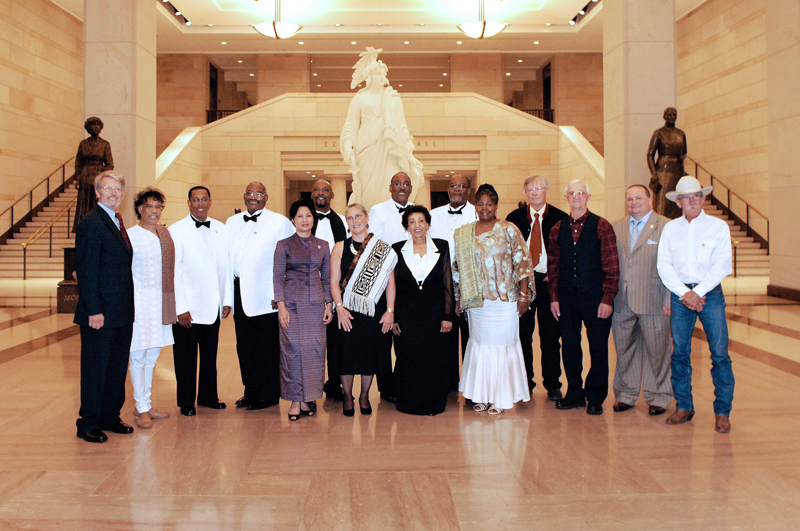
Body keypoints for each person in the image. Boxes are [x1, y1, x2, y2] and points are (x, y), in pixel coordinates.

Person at [657, 176, 734, 433]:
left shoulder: (718, 226)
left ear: (702, 198)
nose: (691, 201)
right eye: (686, 197)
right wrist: (684, 293)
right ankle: (684, 406)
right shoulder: (670, 229)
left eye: (695, 196)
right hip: (680, 296)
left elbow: (722, 264)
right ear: (678, 202)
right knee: (679, 353)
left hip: (710, 294)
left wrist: (698, 292)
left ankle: (722, 412)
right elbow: (664, 266)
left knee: (720, 354)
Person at [453, 184, 533, 415]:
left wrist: (524, 296)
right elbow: (457, 268)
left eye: (489, 203)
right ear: (475, 206)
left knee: (501, 347)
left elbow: (523, 263)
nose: (485, 208)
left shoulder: (509, 229)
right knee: (480, 347)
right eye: (480, 203)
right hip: (478, 304)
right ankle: (483, 396)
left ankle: (501, 397)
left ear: (496, 206)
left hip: (505, 302)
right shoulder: (464, 232)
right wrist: (459, 299)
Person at [547, 179, 619, 415]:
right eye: (571, 193)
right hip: (567, 298)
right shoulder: (557, 229)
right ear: (566, 198)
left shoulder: (602, 226)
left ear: (588, 197)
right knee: (569, 346)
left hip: (596, 298)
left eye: (581, 193)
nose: (576, 197)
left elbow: (611, 266)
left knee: (598, 347)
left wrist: (608, 298)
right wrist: (554, 297)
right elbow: (553, 266)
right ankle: (575, 393)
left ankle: (596, 396)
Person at [73, 171, 134, 443]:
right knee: (96, 369)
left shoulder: (117, 221)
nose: (113, 193)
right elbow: (86, 271)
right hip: (100, 312)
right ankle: (88, 422)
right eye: (107, 189)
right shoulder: (91, 223)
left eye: (118, 189)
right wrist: (93, 310)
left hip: (120, 311)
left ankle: (111, 416)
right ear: (97, 192)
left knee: (116, 368)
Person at [227, 182, 295, 411]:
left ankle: (269, 393)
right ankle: (251, 390)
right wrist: (227, 298)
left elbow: (289, 260)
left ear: (266, 197)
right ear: (244, 196)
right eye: (249, 193)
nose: (253, 197)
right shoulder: (232, 222)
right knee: (245, 346)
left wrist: (280, 294)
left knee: (267, 347)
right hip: (239, 291)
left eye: (258, 194)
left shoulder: (279, 222)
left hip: (267, 295)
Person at [169, 186, 232, 417]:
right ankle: (186, 401)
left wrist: (226, 300)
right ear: (188, 203)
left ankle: (208, 396)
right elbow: (174, 273)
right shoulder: (176, 230)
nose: (200, 203)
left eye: (204, 199)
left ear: (210, 202)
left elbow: (225, 266)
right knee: (185, 358)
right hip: (189, 309)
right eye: (195, 199)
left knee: (209, 357)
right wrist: (180, 308)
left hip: (212, 307)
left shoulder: (221, 229)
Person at [611, 184, 673, 416]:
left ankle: (659, 395)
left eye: (638, 198)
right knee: (624, 349)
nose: (633, 203)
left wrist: (669, 298)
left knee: (658, 350)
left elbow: (673, 266)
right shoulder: (616, 227)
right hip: (622, 300)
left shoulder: (666, 226)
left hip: (654, 299)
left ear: (650, 200)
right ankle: (625, 394)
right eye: (629, 199)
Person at [330, 204, 397, 417]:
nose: (354, 221)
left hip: (373, 311)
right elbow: (333, 281)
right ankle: (348, 396)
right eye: (350, 217)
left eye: (358, 216)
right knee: (346, 357)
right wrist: (339, 307)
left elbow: (390, 283)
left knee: (370, 356)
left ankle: (364, 395)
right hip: (347, 312)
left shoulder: (383, 248)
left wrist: (390, 311)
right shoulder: (339, 247)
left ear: (366, 218)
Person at [506, 175, 568, 401]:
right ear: (525, 193)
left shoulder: (561, 218)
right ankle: (525, 382)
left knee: (550, 337)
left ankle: (553, 384)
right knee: (522, 336)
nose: (534, 193)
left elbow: (566, 253)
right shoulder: (514, 218)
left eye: (538, 188)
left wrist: (555, 276)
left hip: (548, 285)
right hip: (522, 287)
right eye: (530, 189)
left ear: (547, 191)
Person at [340, 47, 424, 210]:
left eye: (383, 73)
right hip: (366, 150)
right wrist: (347, 144)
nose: (382, 77)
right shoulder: (359, 99)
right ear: (369, 77)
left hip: (390, 150)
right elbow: (350, 125)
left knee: (389, 185)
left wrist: (410, 156)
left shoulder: (392, 99)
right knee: (367, 190)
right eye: (378, 73)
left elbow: (402, 129)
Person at [274, 199, 334, 421]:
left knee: (314, 352)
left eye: (308, 215)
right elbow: (277, 277)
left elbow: (327, 278)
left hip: (316, 305)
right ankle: (295, 400)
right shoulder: (284, 245)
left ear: (313, 219)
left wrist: (329, 304)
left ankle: (309, 397)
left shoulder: (323, 245)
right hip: (291, 304)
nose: (304, 220)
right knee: (293, 352)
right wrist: (281, 306)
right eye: (300, 216)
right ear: (292, 220)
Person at [392, 205, 454, 415]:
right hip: (407, 315)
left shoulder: (442, 247)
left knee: (434, 359)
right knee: (408, 358)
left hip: (434, 314)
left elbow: (448, 284)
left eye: (421, 221)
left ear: (428, 224)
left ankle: (434, 403)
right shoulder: (396, 248)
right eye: (412, 222)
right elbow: (394, 286)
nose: (417, 226)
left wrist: (447, 315)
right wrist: (395, 317)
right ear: (406, 227)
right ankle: (409, 402)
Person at [127, 188, 176, 429]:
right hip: (138, 304)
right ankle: (142, 407)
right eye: (149, 206)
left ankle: (144, 404)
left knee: (153, 356)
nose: (154, 211)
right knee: (138, 356)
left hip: (160, 303)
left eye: (158, 207)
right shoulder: (129, 236)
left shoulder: (164, 235)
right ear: (139, 209)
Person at [367, 171, 414, 401]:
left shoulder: (417, 210)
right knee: (383, 339)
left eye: (406, 184)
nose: (402, 187)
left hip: (410, 281)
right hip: (384, 280)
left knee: (405, 336)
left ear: (411, 187)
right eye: (398, 183)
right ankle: (386, 388)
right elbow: (375, 246)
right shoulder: (378, 210)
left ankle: (405, 381)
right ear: (390, 187)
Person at [429, 173, 476, 393]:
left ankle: (470, 383)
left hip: (469, 283)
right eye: (452, 185)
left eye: (462, 186)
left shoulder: (479, 213)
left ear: (468, 190)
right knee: (444, 334)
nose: (457, 189)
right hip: (441, 285)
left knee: (470, 335)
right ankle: (447, 383)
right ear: (448, 189)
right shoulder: (433, 215)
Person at [310, 179, 348, 402]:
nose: (321, 193)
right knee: (313, 343)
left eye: (325, 189)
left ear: (332, 195)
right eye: (317, 189)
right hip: (310, 291)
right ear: (311, 194)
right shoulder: (302, 220)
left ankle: (335, 385)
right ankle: (311, 388)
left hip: (336, 291)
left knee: (336, 343)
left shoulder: (342, 221)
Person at [72, 117, 114, 233]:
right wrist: (78, 177)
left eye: (98, 124)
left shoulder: (105, 144)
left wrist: (104, 177)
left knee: (99, 201)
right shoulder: (83, 144)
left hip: (99, 176)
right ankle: (84, 225)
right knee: (84, 202)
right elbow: (78, 161)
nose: (96, 127)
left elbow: (110, 163)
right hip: (86, 176)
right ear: (88, 127)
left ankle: (100, 224)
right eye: (93, 124)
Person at [647, 107, 687, 219]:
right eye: (669, 115)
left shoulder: (681, 134)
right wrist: (654, 173)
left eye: (674, 115)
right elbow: (650, 154)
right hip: (663, 171)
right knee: (662, 205)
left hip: (678, 171)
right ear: (664, 116)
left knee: (676, 204)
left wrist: (681, 158)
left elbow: (684, 152)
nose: (672, 117)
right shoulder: (659, 133)